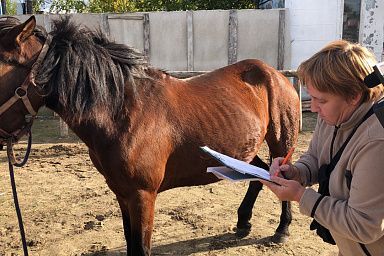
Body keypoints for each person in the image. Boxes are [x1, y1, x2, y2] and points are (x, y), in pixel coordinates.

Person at [261, 40, 384, 255]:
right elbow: (317, 157)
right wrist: (297, 172)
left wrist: (300, 195)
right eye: (312, 97)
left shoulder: (376, 142)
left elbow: (364, 225)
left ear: (354, 96)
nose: (313, 108)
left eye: (321, 100)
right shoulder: (335, 115)